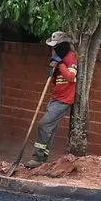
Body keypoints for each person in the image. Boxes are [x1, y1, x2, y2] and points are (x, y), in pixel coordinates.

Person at [28, 31, 77, 168]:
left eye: (55, 46)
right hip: (55, 98)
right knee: (49, 128)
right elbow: (57, 81)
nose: (53, 49)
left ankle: (38, 157)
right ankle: (42, 158)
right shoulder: (58, 57)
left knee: (44, 124)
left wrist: (59, 64)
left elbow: (71, 78)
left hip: (63, 100)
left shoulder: (70, 57)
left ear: (63, 45)